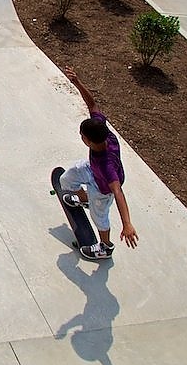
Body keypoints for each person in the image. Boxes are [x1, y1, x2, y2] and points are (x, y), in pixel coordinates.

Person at [59, 67, 139, 261]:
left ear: (87, 140)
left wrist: (127, 224)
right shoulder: (103, 131)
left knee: (99, 218)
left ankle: (105, 247)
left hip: (103, 188)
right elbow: (92, 104)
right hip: (91, 169)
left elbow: (118, 192)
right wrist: (77, 82)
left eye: (82, 136)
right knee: (66, 180)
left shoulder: (107, 166)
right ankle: (84, 198)